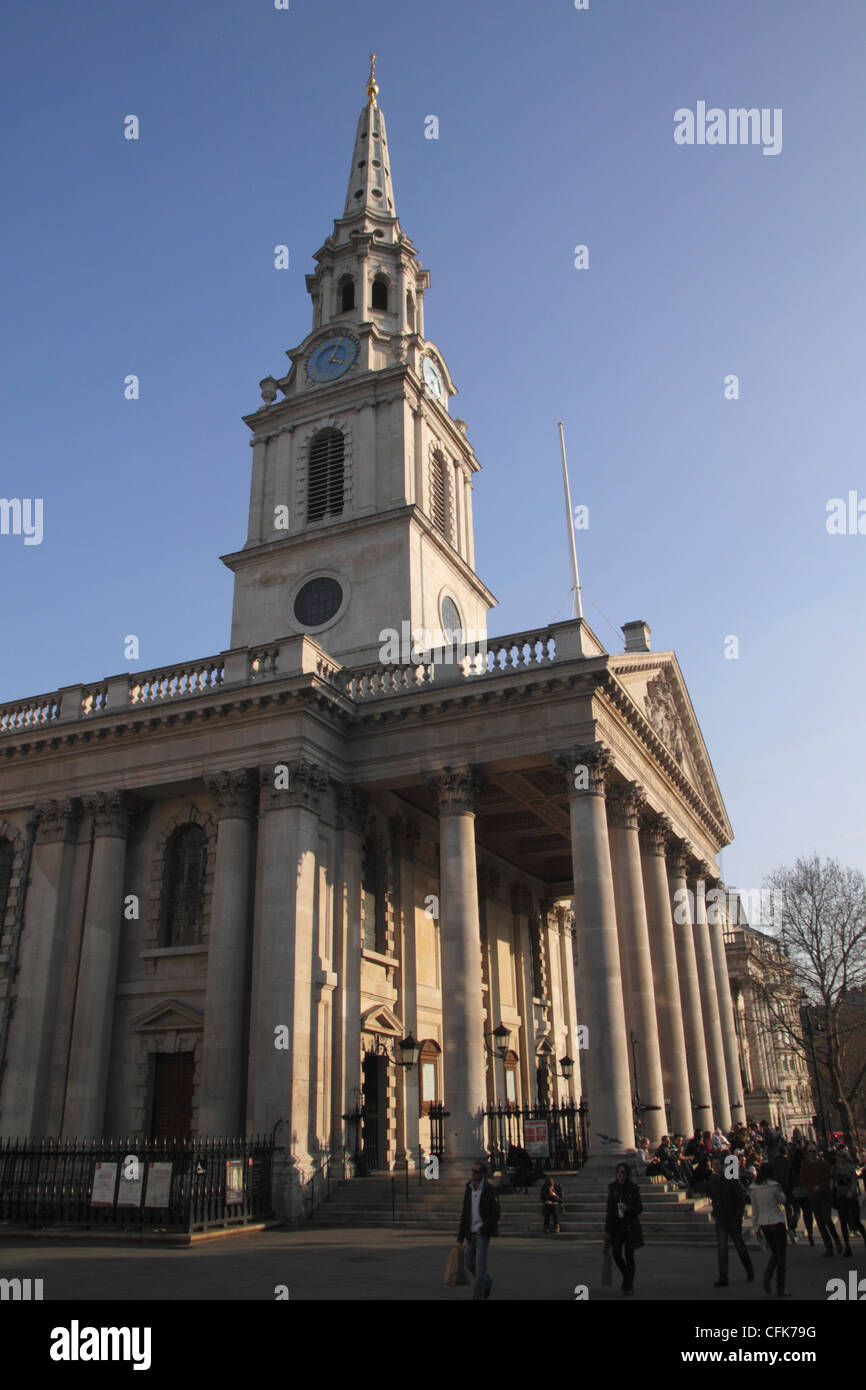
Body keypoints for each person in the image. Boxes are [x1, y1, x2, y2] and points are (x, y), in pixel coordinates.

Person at [693, 1153, 755, 1287]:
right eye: (713, 1164)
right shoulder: (713, 1179)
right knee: (722, 1247)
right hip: (721, 1218)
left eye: (716, 1164)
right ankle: (723, 1277)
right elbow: (704, 1189)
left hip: (733, 1218)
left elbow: (741, 1199)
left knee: (739, 1246)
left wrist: (737, 1217)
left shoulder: (731, 1178)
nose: (714, 1167)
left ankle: (749, 1271)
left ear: (722, 1165)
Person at [457, 1160, 501, 1300]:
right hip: (470, 1233)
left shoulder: (489, 1190)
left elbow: (496, 1212)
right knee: (469, 1263)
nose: (473, 1174)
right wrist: (460, 1237)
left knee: (480, 1268)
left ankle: (478, 1296)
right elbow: (465, 1213)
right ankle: (487, 1281)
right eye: (473, 1172)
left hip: (482, 1233)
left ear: (482, 1174)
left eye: (476, 1172)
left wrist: (485, 1228)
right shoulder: (469, 1189)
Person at [750, 1162, 791, 1297]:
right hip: (776, 1220)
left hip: (764, 1222)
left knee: (775, 1252)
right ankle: (780, 1287)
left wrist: (755, 1226)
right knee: (781, 1257)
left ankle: (767, 1275)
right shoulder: (774, 1186)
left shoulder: (754, 1188)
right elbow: (783, 1200)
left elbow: (754, 1210)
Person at [604, 1162, 644, 1295]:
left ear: (627, 1174)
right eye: (619, 1172)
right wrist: (607, 1231)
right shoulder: (612, 1188)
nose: (620, 1175)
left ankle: (628, 1285)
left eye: (623, 1173)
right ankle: (627, 1277)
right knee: (616, 1255)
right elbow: (609, 1210)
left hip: (630, 1227)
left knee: (629, 1256)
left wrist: (628, 1208)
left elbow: (639, 1207)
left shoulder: (633, 1188)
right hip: (617, 1227)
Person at [800, 1144, 843, 1256]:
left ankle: (837, 1240)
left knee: (827, 1220)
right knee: (820, 1223)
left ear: (817, 1152)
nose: (812, 1153)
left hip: (824, 1195)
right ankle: (829, 1248)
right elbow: (803, 1179)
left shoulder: (823, 1164)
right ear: (807, 1153)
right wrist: (810, 1187)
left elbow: (828, 1178)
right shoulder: (805, 1164)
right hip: (813, 1196)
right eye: (810, 1151)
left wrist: (820, 1186)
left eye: (814, 1151)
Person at [831, 1149, 866, 1256]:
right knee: (843, 1222)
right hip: (841, 1197)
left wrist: (851, 1192)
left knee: (856, 1221)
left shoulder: (850, 1168)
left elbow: (854, 1182)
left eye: (841, 1156)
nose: (839, 1158)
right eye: (838, 1156)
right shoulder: (835, 1168)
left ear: (845, 1157)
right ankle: (847, 1246)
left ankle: (864, 1237)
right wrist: (832, 1188)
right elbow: (832, 1180)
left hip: (851, 1198)